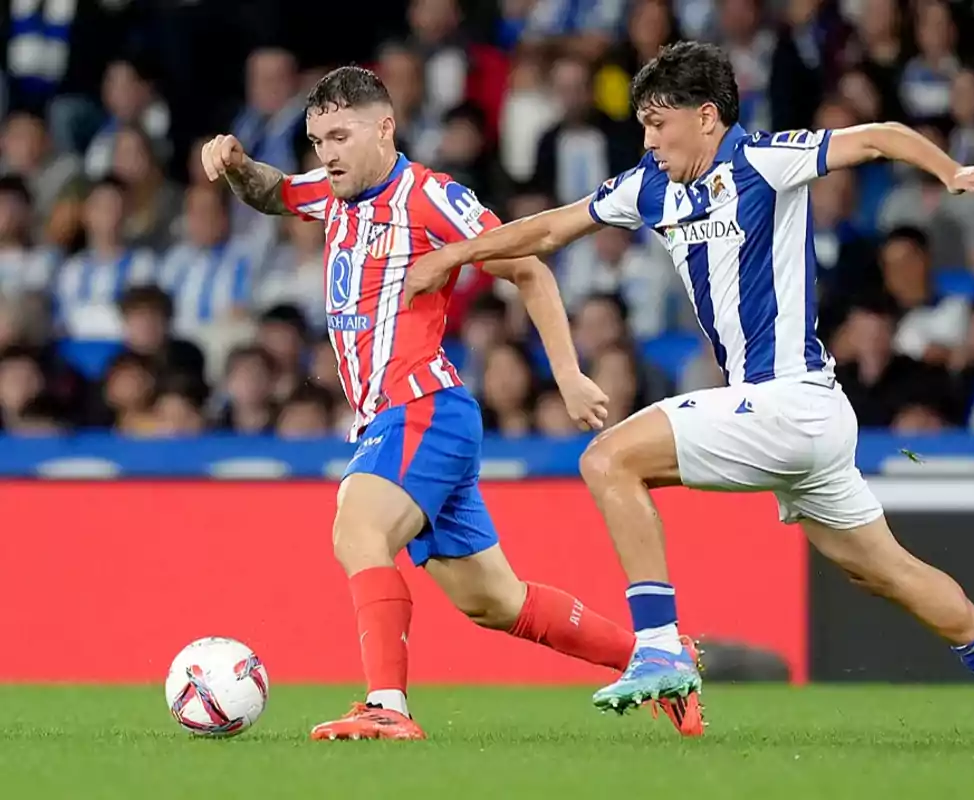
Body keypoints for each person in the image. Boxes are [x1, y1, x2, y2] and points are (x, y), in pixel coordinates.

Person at [405, 41, 974, 742]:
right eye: (643, 124)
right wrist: (455, 253)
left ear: (708, 115)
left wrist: (949, 169)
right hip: (798, 417)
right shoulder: (649, 186)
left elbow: (879, 137)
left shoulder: (762, 159)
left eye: (660, 123)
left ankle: (658, 645)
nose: (649, 139)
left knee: (608, 460)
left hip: (790, 400)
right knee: (885, 572)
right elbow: (547, 228)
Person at [199, 66, 690, 743]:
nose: (329, 154)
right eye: (317, 141)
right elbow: (274, 193)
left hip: (422, 404)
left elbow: (528, 266)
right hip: (400, 417)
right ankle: (663, 663)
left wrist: (570, 374)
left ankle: (386, 705)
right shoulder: (330, 192)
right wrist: (234, 163)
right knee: (495, 601)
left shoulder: (431, 197)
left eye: (341, 136)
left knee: (357, 529)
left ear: (384, 127)